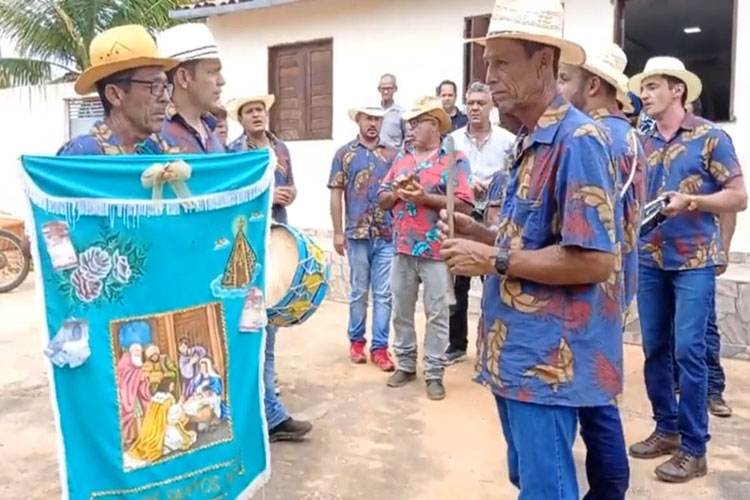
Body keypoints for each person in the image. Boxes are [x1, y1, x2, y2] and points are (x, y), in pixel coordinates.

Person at [440, 0, 622, 496]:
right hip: (517, 354)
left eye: (502, 62)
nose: (488, 77)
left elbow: (594, 258)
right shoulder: (527, 142)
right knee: (530, 480)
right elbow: (528, 239)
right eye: (487, 63)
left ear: (543, 62)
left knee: (547, 489)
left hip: (549, 363)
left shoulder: (578, 140)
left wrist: (493, 258)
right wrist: (477, 234)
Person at [627, 56, 747, 483]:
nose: (644, 93)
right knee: (655, 348)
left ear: (677, 89)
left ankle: (696, 450)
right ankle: (668, 430)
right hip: (650, 259)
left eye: (653, 86)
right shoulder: (640, 142)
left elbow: (738, 196)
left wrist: (694, 201)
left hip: (694, 260)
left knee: (688, 352)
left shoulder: (710, 138)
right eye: (643, 87)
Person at [558, 41, 647, 500]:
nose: (558, 90)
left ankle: (610, 489)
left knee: (594, 399)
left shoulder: (594, 137)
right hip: (619, 278)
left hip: (592, 282)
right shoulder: (629, 135)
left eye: (565, 79)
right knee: (599, 391)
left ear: (593, 85)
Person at [226, 94, 311, 442]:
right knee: (249, 328)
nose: (257, 115)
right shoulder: (233, 152)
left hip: (275, 240)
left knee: (269, 326)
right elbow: (230, 197)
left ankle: (268, 408)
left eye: (260, 109)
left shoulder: (282, 148)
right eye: (249, 111)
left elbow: (290, 187)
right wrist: (267, 195)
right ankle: (264, 413)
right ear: (241, 119)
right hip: (245, 246)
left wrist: (288, 194)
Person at [378, 97, 474, 401]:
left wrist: (424, 198)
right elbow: (381, 198)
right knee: (401, 310)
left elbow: (465, 205)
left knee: (438, 314)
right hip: (402, 248)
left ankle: (434, 372)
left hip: (437, 250)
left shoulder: (453, 159)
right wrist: (396, 191)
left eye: (417, 122)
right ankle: (405, 364)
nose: (411, 129)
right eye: (410, 123)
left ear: (434, 125)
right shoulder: (402, 159)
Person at [445, 81, 515, 364]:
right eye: (471, 103)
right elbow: (446, 177)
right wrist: (468, 185)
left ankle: (492, 345)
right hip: (464, 212)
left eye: (481, 103)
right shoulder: (452, 140)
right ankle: (456, 345)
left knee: (494, 280)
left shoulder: (508, 140)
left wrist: (493, 183)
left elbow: (514, 177)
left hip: (495, 218)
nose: (475, 108)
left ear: (491, 106)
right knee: (458, 276)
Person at [328, 106, 398, 370]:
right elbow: (336, 193)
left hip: (387, 234)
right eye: (368, 118)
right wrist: (337, 231)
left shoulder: (392, 155)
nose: (373, 124)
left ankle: (380, 348)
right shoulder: (344, 154)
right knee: (359, 291)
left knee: (384, 293)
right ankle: (356, 341)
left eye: (377, 119)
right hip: (357, 233)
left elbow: (400, 193)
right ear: (358, 119)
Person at [57, 25, 179, 155]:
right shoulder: (84, 154)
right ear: (114, 95)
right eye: (154, 86)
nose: (165, 98)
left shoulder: (153, 151)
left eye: (166, 87)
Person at [156, 23, 226, 153]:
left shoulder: (212, 129)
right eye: (212, 72)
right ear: (183, 77)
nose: (222, 81)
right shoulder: (156, 136)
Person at [378, 73, 406, 149]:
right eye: (383, 89)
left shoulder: (402, 113)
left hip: (394, 157)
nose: (386, 92)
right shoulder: (373, 112)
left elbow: (407, 138)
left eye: (389, 88)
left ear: (395, 89)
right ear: (379, 89)